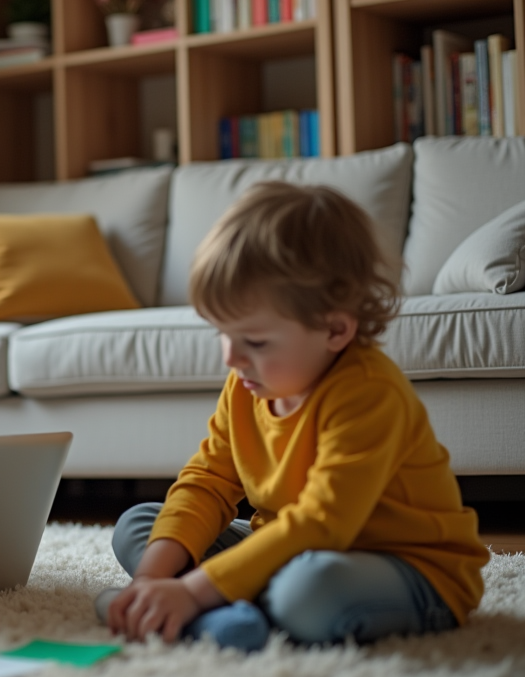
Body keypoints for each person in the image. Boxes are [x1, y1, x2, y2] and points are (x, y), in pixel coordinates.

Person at [103, 181, 489, 651]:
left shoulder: (369, 392)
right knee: (140, 525)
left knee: (307, 592)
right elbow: (207, 482)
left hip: (406, 568)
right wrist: (150, 580)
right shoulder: (246, 382)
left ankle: (213, 614)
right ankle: (202, 610)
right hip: (290, 549)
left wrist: (192, 590)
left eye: (255, 341)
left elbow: (323, 523)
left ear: (335, 329)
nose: (231, 358)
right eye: (222, 334)